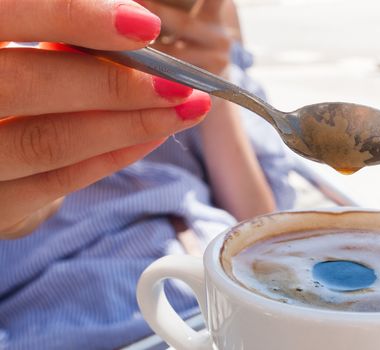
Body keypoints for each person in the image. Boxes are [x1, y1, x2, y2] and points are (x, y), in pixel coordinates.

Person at [0, 0, 297, 349]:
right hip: (71, 318)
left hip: (224, 300)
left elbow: (268, 237)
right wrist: (24, 214)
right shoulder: (17, 49)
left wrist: (215, 84)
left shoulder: (212, 39)